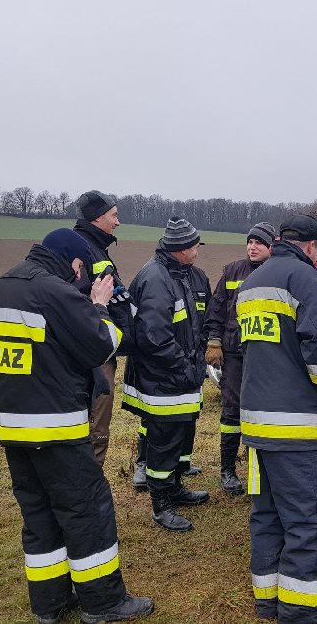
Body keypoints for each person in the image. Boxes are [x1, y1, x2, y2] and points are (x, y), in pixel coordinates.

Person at [0, 229, 153, 624]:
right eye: (80, 267)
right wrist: (98, 306)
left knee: (40, 515)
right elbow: (102, 345)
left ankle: (50, 602)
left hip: (12, 426)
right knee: (87, 510)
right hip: (55, 426)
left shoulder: (6, 284)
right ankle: (104, 603)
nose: (79, 275)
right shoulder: (53, 291)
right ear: (71, 260)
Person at [239, 215, 317, 624]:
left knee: (267, 514)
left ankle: (268, 601)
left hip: (257, 423)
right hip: (296, 425)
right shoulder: (305, 280)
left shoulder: (252, 282)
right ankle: (302, 610)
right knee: (311, 516)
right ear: (310, 245)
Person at [122, 217, 211, 532]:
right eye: (195, 246)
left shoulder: (188, 274)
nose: (198, 250)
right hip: (163, 379)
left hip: (182, 376)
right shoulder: (156, 278)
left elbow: (201, 324)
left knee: (181, 435)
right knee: (163, 441)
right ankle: (161, 505)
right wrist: (186, 366)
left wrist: (198, 360)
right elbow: (154, 337)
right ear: (181, 249)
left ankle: (174, 488)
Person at [203, 221, 277, 494]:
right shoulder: (232, 271)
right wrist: (214, 341)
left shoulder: (277, 272)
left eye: (258, 243)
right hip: (234, 353)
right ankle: (228, 469)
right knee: (232, 410)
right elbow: (216, 310)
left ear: (271, 246)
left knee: (262, 410)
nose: (252, 247)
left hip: (266, 354)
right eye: (249, 242)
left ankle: (261, 467)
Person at [72, 190, 135, 466]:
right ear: (97, 218)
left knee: (97, 423)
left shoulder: (95, 248)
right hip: (93, 355)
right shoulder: (81, 250)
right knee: (94, 426)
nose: (117, 222)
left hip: (102, 349)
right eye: (114, 215)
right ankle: (89, 484)